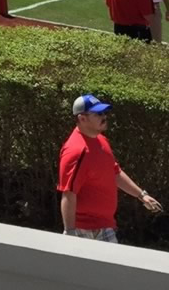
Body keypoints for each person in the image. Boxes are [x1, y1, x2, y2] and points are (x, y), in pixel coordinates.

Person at [57, 94, 162, 242]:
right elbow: (68, 193)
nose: (104, 116)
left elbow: (115, 173)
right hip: (84, 231)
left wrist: (142, 195)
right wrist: (70, 232)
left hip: (105, 226)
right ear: (82, 118)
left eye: (104, 112)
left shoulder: (101, 141)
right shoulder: (76, 151)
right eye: (98, 114)